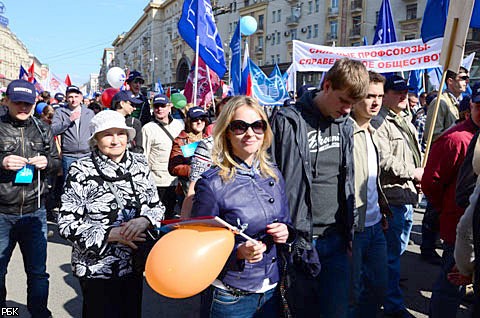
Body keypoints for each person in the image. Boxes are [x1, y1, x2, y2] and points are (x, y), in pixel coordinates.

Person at [270, 58, 369, 318]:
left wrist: (350, 229)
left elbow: (347, 178)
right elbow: (271, 177)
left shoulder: (346, 125)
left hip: (336, 238)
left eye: (352, 104)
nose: (348, 110)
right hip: (299, 239)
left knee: (336, 311)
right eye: (343, 101)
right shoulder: (287, 120)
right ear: (326, 85)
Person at [192, 96, 293, 318]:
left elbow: (286, 221)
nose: (250, 133)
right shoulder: (212, 183)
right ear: (226, 132)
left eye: (257, 126)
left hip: (271, 288)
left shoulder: (273, 173)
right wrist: (239, 252)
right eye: (240, 127)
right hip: (231, 296)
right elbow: (199, 247)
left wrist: (286, 231)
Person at [57, 110, 164, 318]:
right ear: (95, 140)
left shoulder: (140, 164)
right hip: (97, 268)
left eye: (120, 133)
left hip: (134, 264)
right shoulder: (81, 169)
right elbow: (66, 224)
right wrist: (109, 234)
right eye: (107, 134)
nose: (116, 141)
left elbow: (156, 206)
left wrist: (145, 220)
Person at [0, 79, 61, 318]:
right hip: (2, 212)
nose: (23, 107)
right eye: (18, 102)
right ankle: (7, 313)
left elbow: (56, 162)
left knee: (37, 272)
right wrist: (2, 162)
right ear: (6, 101)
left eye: (28, 102)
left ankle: (39, 314)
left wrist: (47, 164)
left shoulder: (43, 128)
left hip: (35, 212)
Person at [422, 83, 480, 318]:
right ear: (470, 108)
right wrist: (446, 209)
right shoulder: (455, 140)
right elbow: (430, 183)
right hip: (459, 230)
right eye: (479, 106)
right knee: (450, 287)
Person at [370, 75, 422, 318]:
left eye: (405, 92)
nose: (403, 96)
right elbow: (384, 159)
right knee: (390, 257)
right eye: (397, 92)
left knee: (396, 253)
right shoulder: (379, 122)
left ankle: (387, 291)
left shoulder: (403, 119)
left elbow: (413, 152)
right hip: (393, 198)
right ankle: (392, 305)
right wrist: (413, 172)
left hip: (408, 195)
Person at [349, 71, 390, 317]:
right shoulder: (345, 133)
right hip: (355, 229)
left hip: (376, 226)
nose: (376, 102)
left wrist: (381, 209)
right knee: (351, 293)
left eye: (380, 96)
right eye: (369, 96)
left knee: (378, 287)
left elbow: (372, 181)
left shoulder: (372, 131)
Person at [142, 94, 184, 219]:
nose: (159, 109)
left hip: (178, 180)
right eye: (156, 106)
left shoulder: (179, 125)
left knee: (174, 215)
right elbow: (144, 156)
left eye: (163, 106)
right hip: (158, 181)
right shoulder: (148, 129)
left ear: (170, 107)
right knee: (159, 216)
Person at [51, 85, 95, 178]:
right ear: (66, 98)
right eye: (70, 97)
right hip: (69, 156)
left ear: (81, 97)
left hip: (87, 155)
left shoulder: (89, 113)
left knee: (88, 183)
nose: (73, 99)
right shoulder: (60, 112)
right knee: (69, 185)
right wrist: (68, 120)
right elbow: (53, 130)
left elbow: (93, 132)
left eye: (76, 96)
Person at [168, 106, 209, 200]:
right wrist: (194, 169)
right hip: (188, 190)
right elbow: (173, 168)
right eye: (195, 119)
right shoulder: (180, 141)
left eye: (202, 119)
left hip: (207, 187)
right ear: (188, 121)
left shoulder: (209, 138)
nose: (199, 122)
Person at [424, 66, 469, 143]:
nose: (467, 81)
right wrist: (457, 126)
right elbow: (432, 136)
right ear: (450, 81)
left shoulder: (465, 102)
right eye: (463, 78)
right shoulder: (439, 102)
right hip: (446, 151)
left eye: (468, 78)